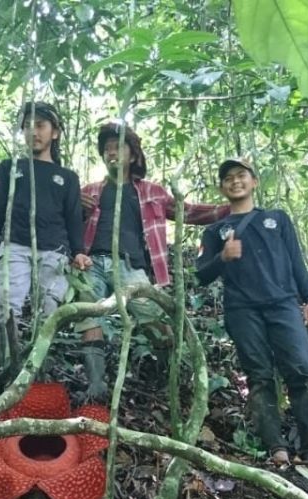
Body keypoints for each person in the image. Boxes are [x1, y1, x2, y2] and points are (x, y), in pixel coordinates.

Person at [75, 123, 229, 401]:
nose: (111, 153)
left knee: (156, 321)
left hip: (130, 266)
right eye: (106, 149)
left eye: (117, 148)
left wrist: (230, 208)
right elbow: (66, 225)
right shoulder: (91, 191)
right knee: (89, 316)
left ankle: (170, 380)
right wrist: (77, 208)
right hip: (92, 262)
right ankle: (96, 386)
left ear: (132, 155)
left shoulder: (150, 191)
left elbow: (189, 212)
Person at [194, 158, 308, 463]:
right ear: (221, 188)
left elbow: (296, 262)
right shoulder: (215, 231)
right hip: (242, 310)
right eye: (228, 178)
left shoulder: (277, 219)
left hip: (283, 305)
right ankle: (276, 446)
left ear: (254, 182)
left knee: (300, 372)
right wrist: (222, 258)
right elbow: (201, 274)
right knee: (260, 376)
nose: (235, 181)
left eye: (241, 176)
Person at [0, 102, 85, 367]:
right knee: (6, 307)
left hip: (55, 251)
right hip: (14, 245)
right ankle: (9, 368)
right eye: (27, 126)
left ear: (55, 132)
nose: (33, 132)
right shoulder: (10, 167)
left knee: (50, 312)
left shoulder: (67, 177)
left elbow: (73, 217)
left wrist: (79, 251)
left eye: (40, 126)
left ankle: (40, 370)